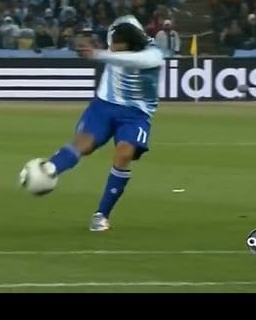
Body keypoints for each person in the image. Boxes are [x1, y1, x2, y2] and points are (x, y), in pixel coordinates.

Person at [38, 15, 164, 231]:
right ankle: (50, 169)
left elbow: (133, 61)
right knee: (84, 145)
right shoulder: (119, 30)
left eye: (116, 45)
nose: (111, 47)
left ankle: (101, 214)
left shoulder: (153, 55)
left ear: (130, 45)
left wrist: (98, 54)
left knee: (124, 154)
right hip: (104, 105)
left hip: (136, 113)